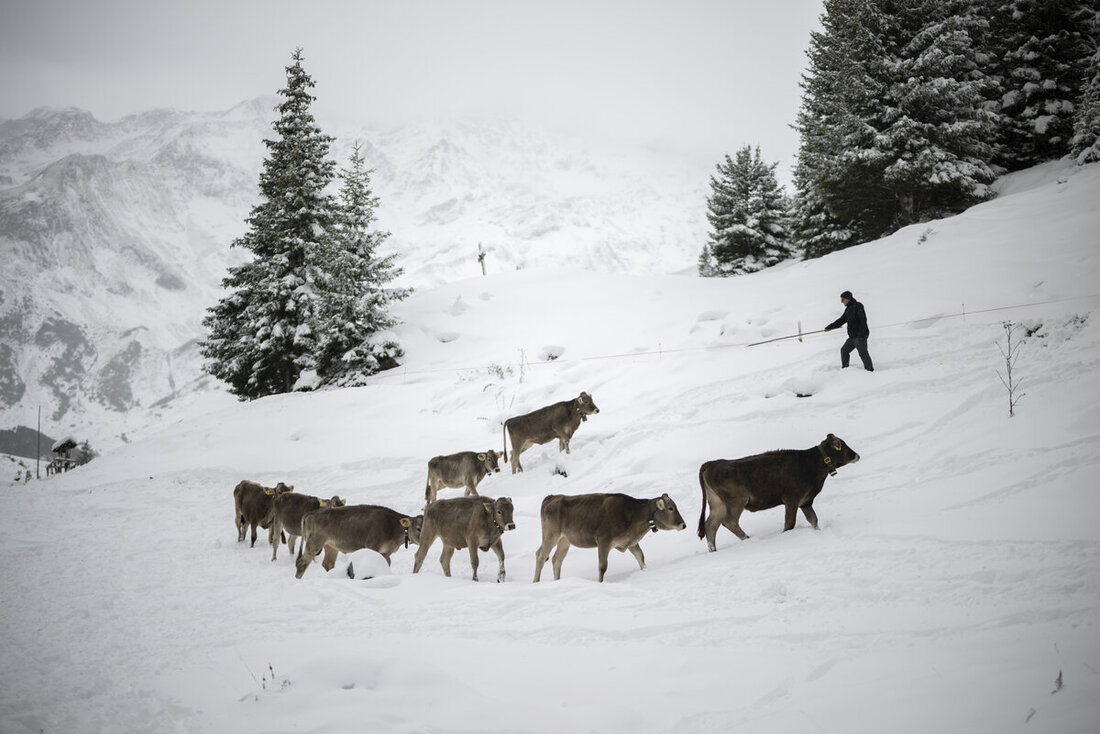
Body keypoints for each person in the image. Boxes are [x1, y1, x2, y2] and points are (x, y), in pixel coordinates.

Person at [824, 290, 874, 371]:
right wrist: (830, 327)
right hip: (852, 337)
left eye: (842, 299)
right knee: (844, 351)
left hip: (860, 336)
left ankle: (870, 371)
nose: (841, 302)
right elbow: (841, 320)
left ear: (848, 299)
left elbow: (863, 320)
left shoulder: (858, 306)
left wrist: (861, 335)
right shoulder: (848, 309)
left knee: (863, 354)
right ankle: (845, 370)